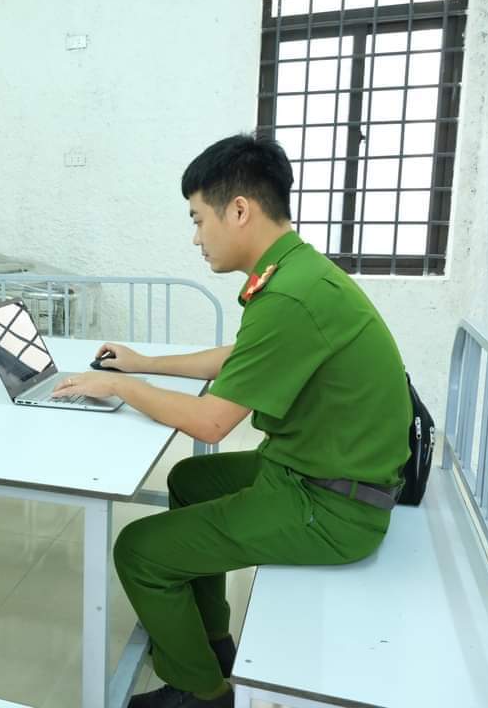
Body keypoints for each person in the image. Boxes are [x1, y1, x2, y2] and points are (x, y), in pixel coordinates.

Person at [51, 134, 411, 707]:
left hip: (333, 507)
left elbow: (212, 424)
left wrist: (120, 386)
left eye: (198, 219)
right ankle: (213, 643)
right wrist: (144, 364)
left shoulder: (289, 296)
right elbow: (237, 357)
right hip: (315, 471)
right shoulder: (295, 273)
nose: (196, 237)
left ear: (238, 210)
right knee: (189, 480)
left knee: (139, 551)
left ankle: (203, 692)